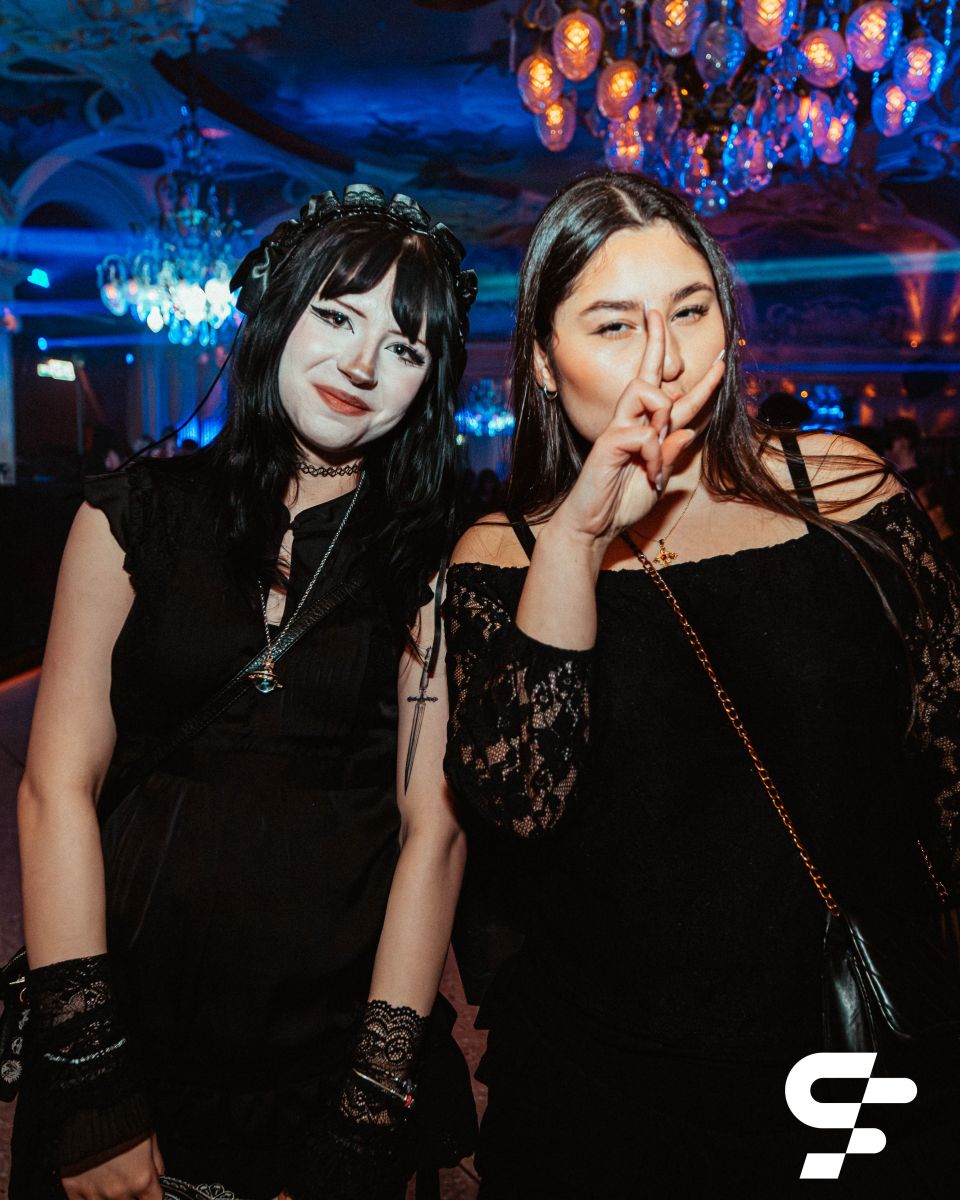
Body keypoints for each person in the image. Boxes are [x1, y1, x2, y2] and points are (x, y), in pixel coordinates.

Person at [442, 171, 960, 1198]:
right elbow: (521, 805)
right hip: (618, 1084)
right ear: (543, 359)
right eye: (614, 325)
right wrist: (578, 537)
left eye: (690, 310)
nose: (665, 360)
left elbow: (947, 761)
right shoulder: (505, 554)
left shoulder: (840, 489)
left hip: (852, 1055)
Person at [13, 184, 478, 1200]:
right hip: (129, 1018)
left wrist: (369, 1106)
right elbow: (55, 790)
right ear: (274, 310)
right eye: (338, 316)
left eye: (404, 346)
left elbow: (432, 833)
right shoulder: (132, 516)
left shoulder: (432, 563)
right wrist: (91, 1081)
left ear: (429, 381)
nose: (362, 364)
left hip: (326, 1043)